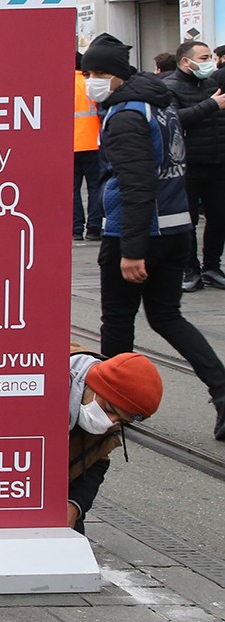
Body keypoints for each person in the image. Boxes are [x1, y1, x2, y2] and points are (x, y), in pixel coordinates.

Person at [82, 32, 225, 440]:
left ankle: (109, 405)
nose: (90, 80)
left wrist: (131, 249)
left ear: (113, 75)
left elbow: (136, 185)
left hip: (139, 231)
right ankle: (221, 389)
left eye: (95, 73)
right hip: (177, 227)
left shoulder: (126, 116)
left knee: (118, 322)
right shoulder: (157, 105)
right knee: (166, 317)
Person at [66, 350, 163, 531]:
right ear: (91, 385)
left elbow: (96, 461)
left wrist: (75, 505)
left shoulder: (111, 422)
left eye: (121, 420)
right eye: (108, 408)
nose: (109, 422)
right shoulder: (42, 385)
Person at [162, 39, 225, 291]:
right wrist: (211, 105)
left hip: (217, 162)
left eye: (210, 56)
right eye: (203, 58)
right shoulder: (169, 87)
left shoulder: (213, 84)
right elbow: (173, 120)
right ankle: (190, 269)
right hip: (186, 166)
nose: (209, 62)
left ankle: (212, 266)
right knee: (186, 221)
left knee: (219, 218)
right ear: (185, 61)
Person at [73, 56, 105, 241]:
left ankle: (76, 229)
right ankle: (94, 227)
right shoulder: (89, 83)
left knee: (72, 189)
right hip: (93, 142)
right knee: (95, 187)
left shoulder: (59, 83)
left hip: (69, 145)